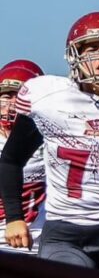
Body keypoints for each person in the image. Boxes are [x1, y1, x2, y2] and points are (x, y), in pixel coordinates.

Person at [0, 12, 99, 275]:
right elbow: (11, 160)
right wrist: (15, 218)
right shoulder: (48, 99)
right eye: (91, 48)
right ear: (74, 55)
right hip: (67, 232)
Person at [0, 60, 46, 254]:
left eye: (18, 95)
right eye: (6, 95)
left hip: (37, 240)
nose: (11, 103)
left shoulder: (50, 137)